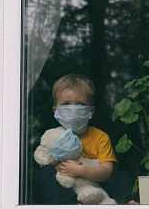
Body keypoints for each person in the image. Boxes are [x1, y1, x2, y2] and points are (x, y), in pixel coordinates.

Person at [35, 74, 136, 205]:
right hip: (68, 189)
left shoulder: (100, 137)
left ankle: (127, 204)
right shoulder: (53, 137)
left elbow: (106, 171)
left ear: (91, 111)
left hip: (97, 190)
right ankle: (75, 206)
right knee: (44, 175)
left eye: (80, 104)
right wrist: (61, 168)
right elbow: (46, 162)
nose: (73, 109)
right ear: (56, 111)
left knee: (121, 176)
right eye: (66, 104)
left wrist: (80, 171)